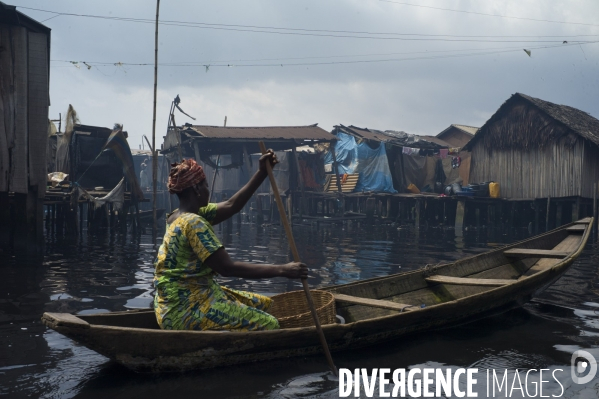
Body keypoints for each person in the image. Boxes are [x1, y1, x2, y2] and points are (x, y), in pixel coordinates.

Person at [154, 152, 307, 331]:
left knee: (265, 304)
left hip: (174, 303)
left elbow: (231, 205)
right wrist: (283, 269)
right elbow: (227, 268)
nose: (207, 190)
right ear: (196, 189)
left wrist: (262, 173)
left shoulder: (176, 217)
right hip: (185, 308)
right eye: (205, 185)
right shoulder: (193, 222)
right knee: (270, 323)